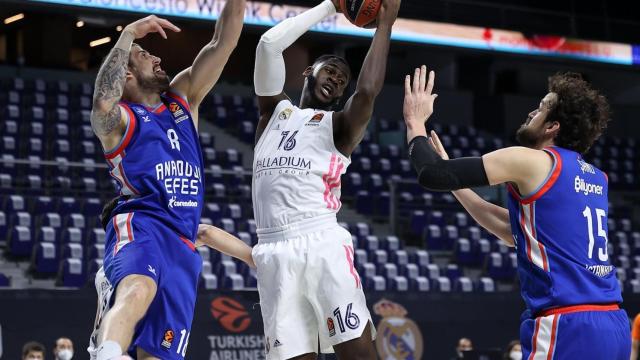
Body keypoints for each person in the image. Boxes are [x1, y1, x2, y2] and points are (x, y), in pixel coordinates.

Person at [403, 66, 630, 359]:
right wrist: (456, 186)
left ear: (552, 127)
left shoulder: (531, 160)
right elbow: (514, 232)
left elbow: (432, 173)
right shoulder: (596, 178)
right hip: (613, 324)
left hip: (567, 324)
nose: (531, 113)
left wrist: (414, 122)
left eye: (540, 109)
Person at [87, 1, 246, 358]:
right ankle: (108, 352)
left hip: (183, 242)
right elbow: (101, 106)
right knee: (137, 290)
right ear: (126, 74)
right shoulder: (122, 121)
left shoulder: (182, 100)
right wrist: (128, 35)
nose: (158, 59)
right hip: (143, 226)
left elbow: (224, 42)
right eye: (146, 56)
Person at [251, 0, 400, 358]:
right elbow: (268, 45)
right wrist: (329, 6)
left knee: (359, 355)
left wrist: (384, 26)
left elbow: (366, 92)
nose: (335, 79)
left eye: (341, 80)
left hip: (319, 243)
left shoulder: (340, 127)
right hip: (272, 251)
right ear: (307, 72)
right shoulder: (274, 111)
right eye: (329, 70)